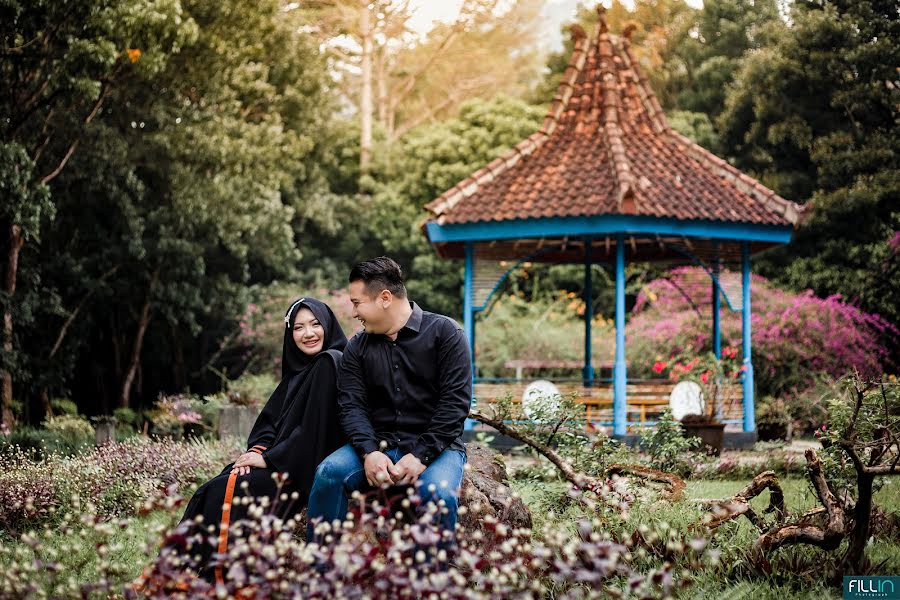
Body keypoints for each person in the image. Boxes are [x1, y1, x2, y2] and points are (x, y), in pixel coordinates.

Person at [176, 297, 347, 583]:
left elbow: (315, 431)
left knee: (224, 491)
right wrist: (257, 451)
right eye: (299, 328)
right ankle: (188, 572)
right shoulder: (298, 372)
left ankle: (212, 575)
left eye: (316, 324)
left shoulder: (330, 363)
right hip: (284, 457)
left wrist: (268, 459)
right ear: (290, 334)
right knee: (217, 485)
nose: (308, 333)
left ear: (328, 325)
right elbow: (271, 422)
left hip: (303, 464)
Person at [307, 257, 472, 543]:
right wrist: (369, 451)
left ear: (385, 298)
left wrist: (421, 456)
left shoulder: (446, 333)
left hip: (438, 447)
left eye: (358, 303)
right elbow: (351, 406)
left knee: (439, 494)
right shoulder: (357, 347)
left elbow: (455, 404)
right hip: (378, 444)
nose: (354, 312)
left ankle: (435, 586)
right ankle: (320, 574)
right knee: (328, 474)